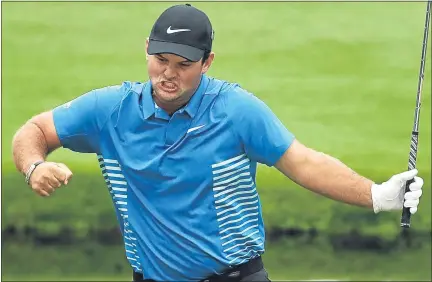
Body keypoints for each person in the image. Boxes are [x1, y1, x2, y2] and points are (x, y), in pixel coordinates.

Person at [12, 3, 424, 282]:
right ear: (147, 50)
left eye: (184, 65)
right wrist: (34, 166)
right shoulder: (110, 111)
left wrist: (376, 195)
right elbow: (34, 131)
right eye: (160, 60)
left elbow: (302, 162)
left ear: (207, 62)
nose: (167, 74)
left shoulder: (236, 110)